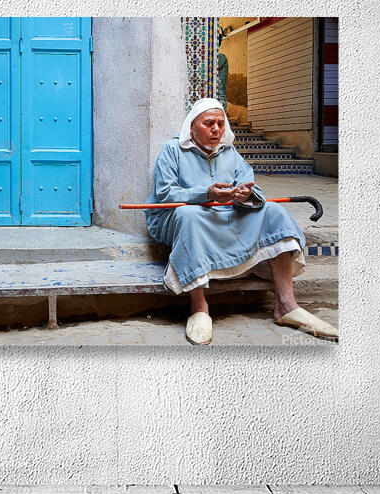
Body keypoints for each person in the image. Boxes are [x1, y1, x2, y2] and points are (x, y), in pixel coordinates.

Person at [143, 97, 338, 345]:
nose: (216, 129)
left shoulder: (230, 152)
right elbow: (166, 194)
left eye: (220, 124)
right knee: (188, 215)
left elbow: (251, 186)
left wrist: (247, 194)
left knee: (274, 212)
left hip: (225, 214)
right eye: (209, 123)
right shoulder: (172, 150)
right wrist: (207, 193)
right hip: (182, 217)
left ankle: (286, 305)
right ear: (192, 126)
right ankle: (199, 307)